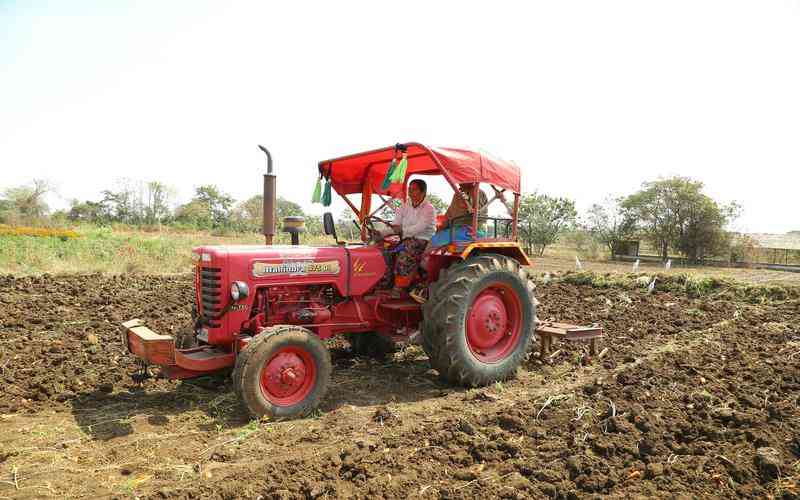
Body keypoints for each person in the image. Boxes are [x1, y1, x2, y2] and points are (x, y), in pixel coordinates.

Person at [387, 179, 436, 297]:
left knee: (405, 252)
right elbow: (397, 222)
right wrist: (384, 232)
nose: (410, 192)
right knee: (386, 249)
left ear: (423, 192)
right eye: (409, 189)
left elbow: (419, 228)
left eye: (413, 189)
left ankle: (399, 287)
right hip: (405, 237)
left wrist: (402, 231)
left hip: (423, 239)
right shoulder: (405, 205)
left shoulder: (429, 209)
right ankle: (387, 282)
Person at [430, 183, 488, 247]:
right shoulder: (457, 194)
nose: (459, 182)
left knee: (434, 240)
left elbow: (477, 214)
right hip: (456, 228)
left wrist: (469, 204)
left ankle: (424, 256)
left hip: (471, 230)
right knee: (431, 236)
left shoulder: (477, 193)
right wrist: (440, 226)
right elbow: (449, 215)